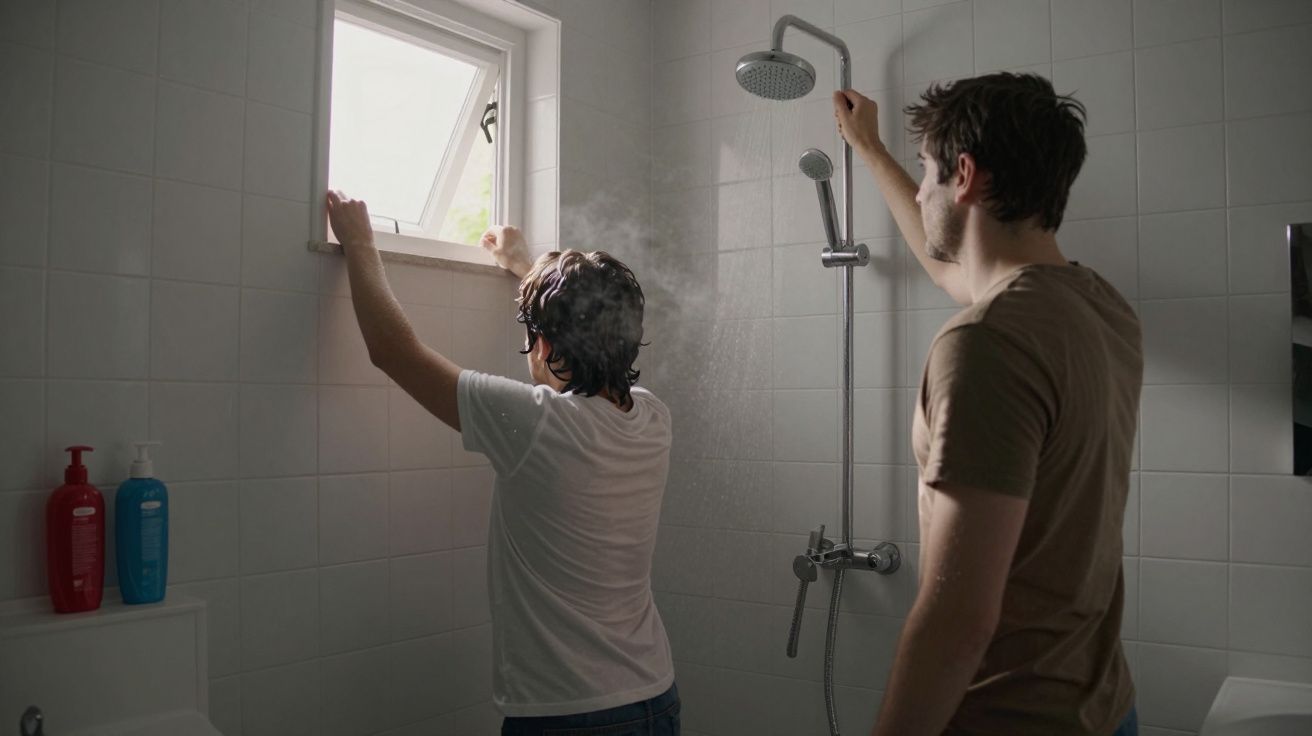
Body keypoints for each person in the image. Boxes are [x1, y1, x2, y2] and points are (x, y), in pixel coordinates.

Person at [832, 73, 1142, 736]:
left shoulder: (986, 343)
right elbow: (953, 270)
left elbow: (958, 622)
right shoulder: (1101, 309)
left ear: (964, 175)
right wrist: (872, 151)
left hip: (1011, 717)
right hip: (1102, 706)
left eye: (926, 173)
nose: (920, 190)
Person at [325, 192, 680, 736]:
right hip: (655, 697)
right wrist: (524, 265)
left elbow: (394, 351)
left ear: (541, 343)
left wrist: (360, 243)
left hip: (570, 715)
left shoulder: (536, 425)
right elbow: (581, 319)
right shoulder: (653, 419)